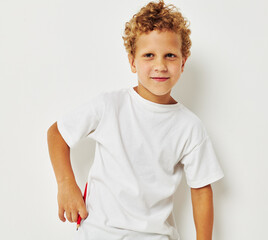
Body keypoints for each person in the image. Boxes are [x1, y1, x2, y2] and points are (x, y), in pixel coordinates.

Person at [47, 1, 224, 239]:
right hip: (99, 232)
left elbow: (201, 189)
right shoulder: (110, 106)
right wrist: (66, 184)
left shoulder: (189, 127)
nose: (160, 65)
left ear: (183, 62)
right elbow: (57, 133)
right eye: (149, 55)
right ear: (132, 61)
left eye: (170, 55)